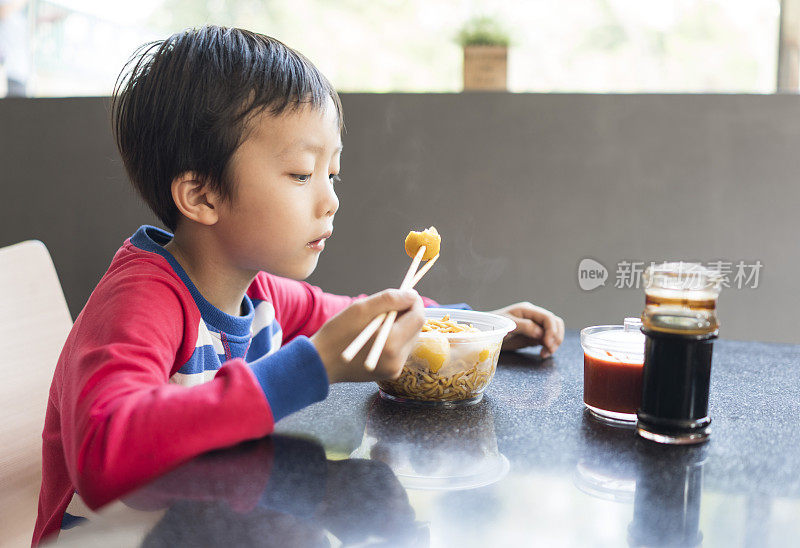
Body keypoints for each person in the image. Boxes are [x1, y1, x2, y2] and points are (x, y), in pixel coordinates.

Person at [32, 25, 564, 545]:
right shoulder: (141, 301)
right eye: (302, 175)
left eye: (331, 174)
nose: (330, 199)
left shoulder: (258, 293)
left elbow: (362, 315)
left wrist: (473, 328)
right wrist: (316, 365)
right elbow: (103, 455)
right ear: (202, 196)